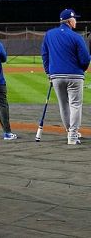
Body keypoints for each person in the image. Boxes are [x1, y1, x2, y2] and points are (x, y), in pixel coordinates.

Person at [41, 9, 90, 145]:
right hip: (75, 76)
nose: (76, 21)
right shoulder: (77, 37)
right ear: (69, 21)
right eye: (75, 19)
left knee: (64, 105)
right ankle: (73, 136)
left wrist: (48, 73)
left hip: (56, 76)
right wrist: (83, 69)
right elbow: (85, 58)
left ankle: (70, 131)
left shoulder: (49, 34)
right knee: (75, 105)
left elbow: (44, 55)